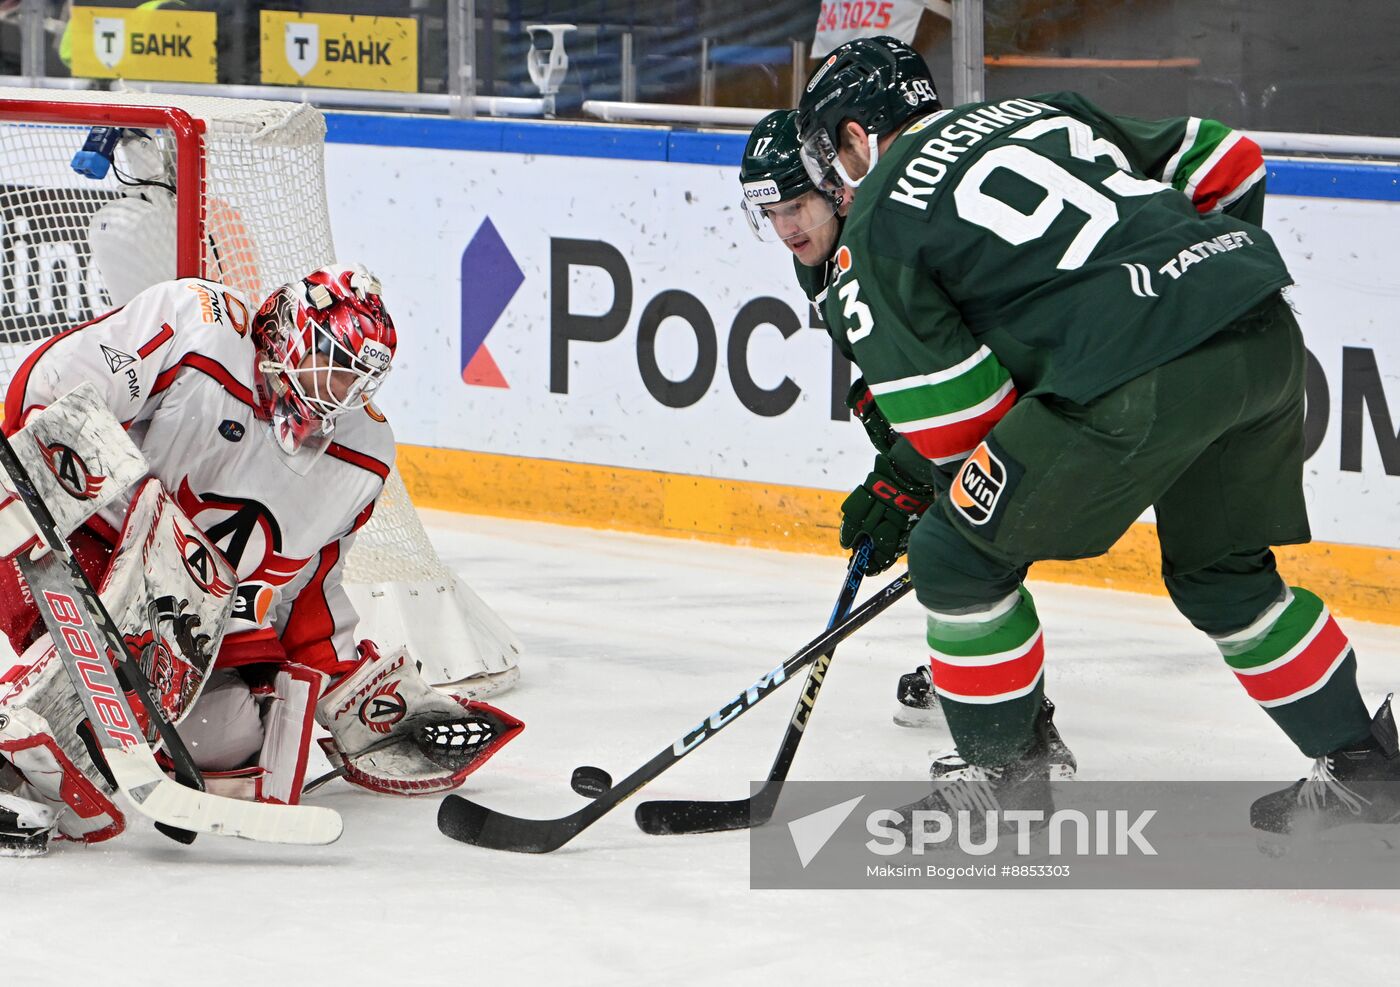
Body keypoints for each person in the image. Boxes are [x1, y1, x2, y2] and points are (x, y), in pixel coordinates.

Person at [794, 35, 1395, 838]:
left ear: (858, 137)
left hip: (1132, 383)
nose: (833, 176)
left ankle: (1010, 780)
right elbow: (1229, 161)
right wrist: (1180, 290)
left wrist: (998, 513)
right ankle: (1368, 769)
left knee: (956, 553)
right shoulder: (1035, 110)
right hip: (1259, 327)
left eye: (831, 152)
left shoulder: (874, 222)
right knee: (1224, 575)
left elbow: (958, 420)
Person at [0, 263, 521, 853]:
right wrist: (93, 525)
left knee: (224, 740)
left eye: (355, 380)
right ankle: (19, 751)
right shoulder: (199, 325)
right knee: (118, 623)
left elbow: (310, 589)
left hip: (180, 614)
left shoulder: (360, 457)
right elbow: (50, 393)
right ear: (290, 333)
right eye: (331, 364)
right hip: (66, 531)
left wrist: (353, 689)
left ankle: (72, 732)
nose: (340, 393)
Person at [742, 110, 952, 726]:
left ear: (835, 187)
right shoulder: (822, 255)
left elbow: (971, 380)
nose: (785, 228)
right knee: (948, 533)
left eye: (796, 205)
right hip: (973, 404)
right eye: (770, 214)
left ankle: (1016, 723)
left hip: (1052, 400)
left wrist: (907, 469)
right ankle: (971, 670)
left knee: (966, 543)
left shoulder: (887, 242)